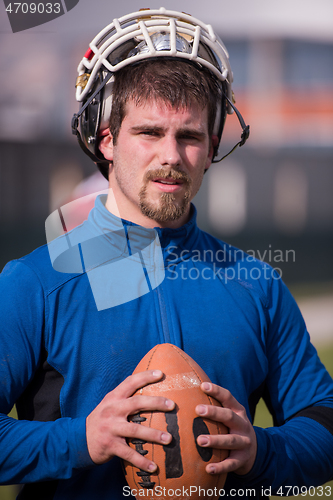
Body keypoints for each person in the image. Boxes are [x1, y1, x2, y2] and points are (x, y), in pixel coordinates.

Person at [0, 7, 333, 500]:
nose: (171, 156)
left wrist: (260, 451)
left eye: (190, 136)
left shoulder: (256, 285)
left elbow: (323, 422)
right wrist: (80, 440)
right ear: (107, 140)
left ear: (213, 145)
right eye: (149, 132)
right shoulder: (35, 283)